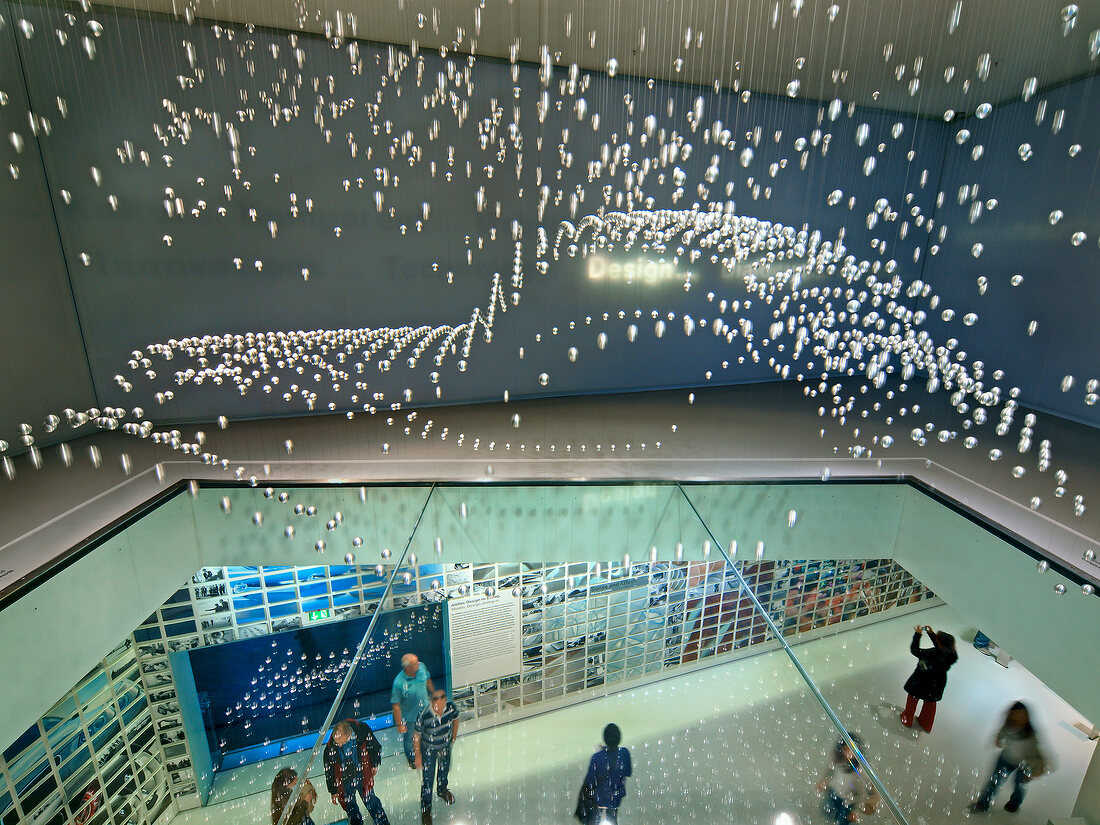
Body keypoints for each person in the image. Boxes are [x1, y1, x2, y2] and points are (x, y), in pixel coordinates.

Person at [969, 702, 1048, 814]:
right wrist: (998, 739)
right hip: (1005, 759)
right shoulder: (1008, 726)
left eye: (1021, 716)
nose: (1018, 719)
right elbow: (1001, 733)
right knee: (993, 781)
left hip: (1023, 763)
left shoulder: (1030, 735)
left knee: (1019, 784)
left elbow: (1036, 754)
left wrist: (1037, 769)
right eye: (1014, 716)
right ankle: (983, 803)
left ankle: (1015, 802)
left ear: (1027, 718)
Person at [322, 719, 390, 825]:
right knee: (350, 805)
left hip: (363, 773)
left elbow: (374, 746)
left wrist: (375, 763)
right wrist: (333, 790)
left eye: (342, 742)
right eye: (337, 742)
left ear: (348, 734)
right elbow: (329, 771)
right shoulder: (330, 748)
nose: (339, 745)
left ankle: (382, 822)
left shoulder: (362, 730)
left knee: (370, 800)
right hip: (344, 780)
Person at [899, 625, 957, 732]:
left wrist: (918, 635)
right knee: (930, 705)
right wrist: (931, 634)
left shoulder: (929, 654)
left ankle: (907, 719)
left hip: (920, 681)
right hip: (936, 685)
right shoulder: (951, 655)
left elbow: (914, 650)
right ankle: (925, 723)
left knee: (912, 701)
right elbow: (941, 647)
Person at [413, 688, 459, 825]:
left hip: (444, 745)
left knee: (444, 770)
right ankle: (426, 808)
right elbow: (417, 736)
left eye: (440, 703)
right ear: (432, 702)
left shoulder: (451, 708)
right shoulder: (424, 714)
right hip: (428, 749)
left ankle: (442, 790)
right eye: (435, 703)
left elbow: (456, 719)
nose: (437, 708)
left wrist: (453, 737)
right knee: (428, 778)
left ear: (444, 700)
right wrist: (418, 755)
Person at [817, 734, 879, 825]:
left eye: (852, 750)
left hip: (849, 801)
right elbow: (830, 770)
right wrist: (824, 781)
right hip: (834, 792)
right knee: (828, 812)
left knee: (843, 821)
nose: (849, 753)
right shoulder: (838, 761)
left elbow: (864, 793)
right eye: (846, 749)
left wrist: (857, 811)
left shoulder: (861, 771)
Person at [582, 723, 632, 825]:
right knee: (613, 819)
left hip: (599, 797)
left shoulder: (597, 757)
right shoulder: (624, 753)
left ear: (605, 738)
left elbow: (590, 780)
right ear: (619, 737)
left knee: (594, 820)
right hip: (615, 796)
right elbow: (628, 772)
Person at [392, 653, 435, 769]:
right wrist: (399, 724)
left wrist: (433, 693)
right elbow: (396, 705)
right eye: (415, 663)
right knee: (410, 739)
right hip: (410, 717)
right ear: (408, 667)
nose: (419, 664)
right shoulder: (399, 683)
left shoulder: (422, 667)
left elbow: (428, 680)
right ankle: (411, 758)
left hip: (426, 711)